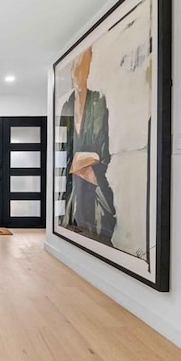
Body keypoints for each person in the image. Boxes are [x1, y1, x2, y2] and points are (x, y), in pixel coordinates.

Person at [58, 47, 116, 246]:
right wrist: (73, 162)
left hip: (92, 179)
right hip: (72, 181)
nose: (79, 70)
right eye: (76, 65)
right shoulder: (66, 105)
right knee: (71, 220)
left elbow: (102, 152)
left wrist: (80, 160)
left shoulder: (98, 100)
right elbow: (62, 148)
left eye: (84, 63)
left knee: (98, 229)